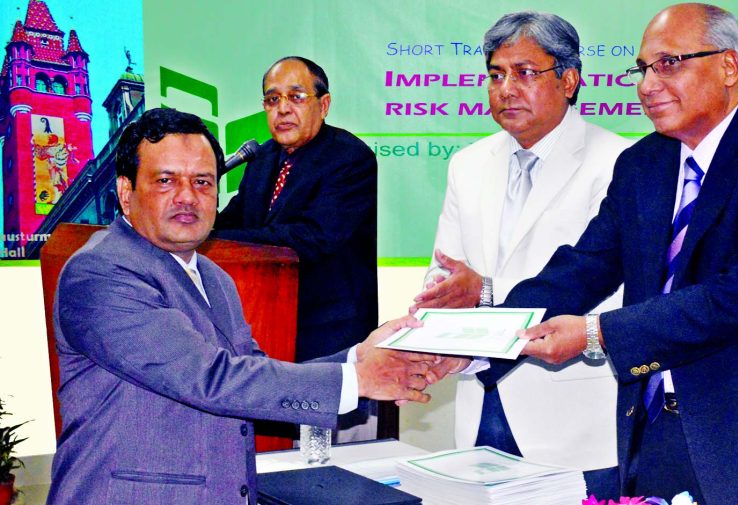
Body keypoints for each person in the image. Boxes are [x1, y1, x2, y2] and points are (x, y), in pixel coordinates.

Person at [478, 4, 738, 504]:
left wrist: (596, 333)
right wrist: (476, 341)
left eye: (669, 64)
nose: (647, 85)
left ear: (728, 66)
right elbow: (583, 267)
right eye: (642, 68)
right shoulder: (643, 163)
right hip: (656, 438)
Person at [47, 108, 444, 504]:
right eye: (166, 180)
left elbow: (250, 377)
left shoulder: (213, 277)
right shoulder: (100, 272)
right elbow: (210, 379)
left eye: (202, 181)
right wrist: (360, 379)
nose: (188, 197)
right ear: (125, 193)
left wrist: (359, 356)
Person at [409, 11, 631, 499]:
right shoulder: (468, 165)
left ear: (569, 80)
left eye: (525, 72)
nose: (506, 88)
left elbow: (616, 295)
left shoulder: (619, 162)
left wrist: (484, 293)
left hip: (572, 416)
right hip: (477, 405)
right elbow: (443, 281)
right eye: (495, 74)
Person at [213, 56, 377, 364]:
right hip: (266, 320)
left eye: (296, 97)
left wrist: (218, 237)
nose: (283, 108)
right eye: (273, 99)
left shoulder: (350, 158)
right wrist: (198, 228)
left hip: (328, 331)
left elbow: (310, 238)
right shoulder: (262, 158)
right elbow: (236, 217)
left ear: (324, 104)